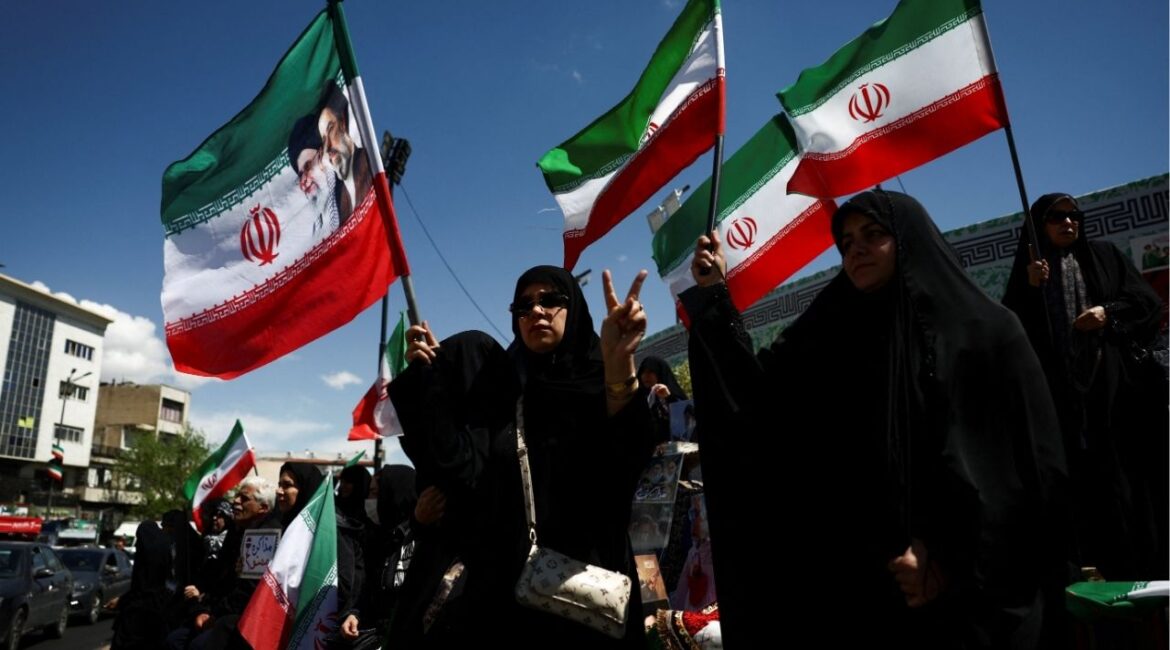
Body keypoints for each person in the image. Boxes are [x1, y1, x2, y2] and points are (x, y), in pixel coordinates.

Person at [682, 190, 1067, 648]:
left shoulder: (986, 333)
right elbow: (760, 402)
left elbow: (1029, 473)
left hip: (981, 601)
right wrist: (714, 299)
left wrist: (945, 556)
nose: (856, 249)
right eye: (845, 242)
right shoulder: (834, 334)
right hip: (869, 597)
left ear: (909, 239)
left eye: (873, 234)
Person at [390, 265, 658, 649]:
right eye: (524, 305)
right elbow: (462, 468)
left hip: (586, 595)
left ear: (574, 309)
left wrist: (620, 365)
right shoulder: (508, 399)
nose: (536, 311)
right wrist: (431, 380)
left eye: (551, 300)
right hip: (516, 597)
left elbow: (629, 452)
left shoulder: (599, 381)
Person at [1002, 192, 1168, 581]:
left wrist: (1107, 312)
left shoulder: (1104, 257)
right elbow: (1011, 334)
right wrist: (1029, 289)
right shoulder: (1030, 270)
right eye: (1056, 217)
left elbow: (1146, 303)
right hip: (1060, 401)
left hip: (1112, 389)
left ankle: (1147, 564)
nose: (1068, 223)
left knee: (1126, 477)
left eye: (1074, 215)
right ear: (1039, 226)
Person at [112, 522, 173, 649]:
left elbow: (140, 589)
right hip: (159, 611)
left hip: (137, 617)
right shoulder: (165, 552)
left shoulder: (143, 559)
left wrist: (123, 601)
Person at [637, 356, 688, 443]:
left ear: (660, 373)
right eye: (643, 372)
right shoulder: (638, 399)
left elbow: (684, 420)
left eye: (650, 372)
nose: (645, 375)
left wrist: (669, 398)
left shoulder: (673, 396)